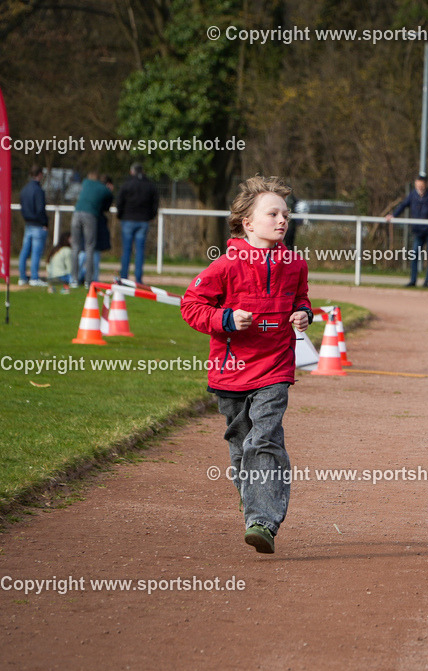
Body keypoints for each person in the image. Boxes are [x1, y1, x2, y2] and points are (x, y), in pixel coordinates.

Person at [180, 175, 313, 554]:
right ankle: (254, 500)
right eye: (273, 214)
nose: (282, 221)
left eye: (286, 214)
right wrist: (225, 320)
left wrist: (303, 315)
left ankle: (262, 522)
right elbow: (191, 306)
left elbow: (301, 300)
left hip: (274, 369)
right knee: (241, 451)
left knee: (264, 438)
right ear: (248, 223)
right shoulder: (225, 266)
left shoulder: (293, 264)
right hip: (231, 372)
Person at [385, 175, 428, 287]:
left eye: (422, 184)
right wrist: (393, 215)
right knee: (414, 255)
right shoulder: (412, 195)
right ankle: (413, 280)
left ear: (426, 184)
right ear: (415, 184)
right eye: (418, 184)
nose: (420, 186)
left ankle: (427, 281)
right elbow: (403, 205)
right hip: (418, 232)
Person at [116, 163, 159, 283]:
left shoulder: (127, 185)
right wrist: (151, 216)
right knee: (140, 251)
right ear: (143, 171)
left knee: (126, 250)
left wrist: (120, 215)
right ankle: (138, 279)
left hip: (128, 219)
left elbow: (119, 202)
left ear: (132, 172)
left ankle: (124, 278)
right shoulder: (149, 185)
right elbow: (155, 203)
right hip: (144, 221)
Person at [70, 171, 112, 287]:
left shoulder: (86, 183)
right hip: (90, 216)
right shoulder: (103, 189)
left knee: (75, 247)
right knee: (90, 247)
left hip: (76, 214)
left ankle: (73, 279)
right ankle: (89, 280)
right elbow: (107, 204)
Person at [18, 165, 48, 286]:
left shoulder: (24, 189)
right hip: (37, 225)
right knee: (36, 253)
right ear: (40, 174)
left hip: (28, 224)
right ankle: (34, 277)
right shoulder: (38, 190)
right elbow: (41, 209)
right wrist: (45, 223)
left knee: (24, 252)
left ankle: (22, 277)